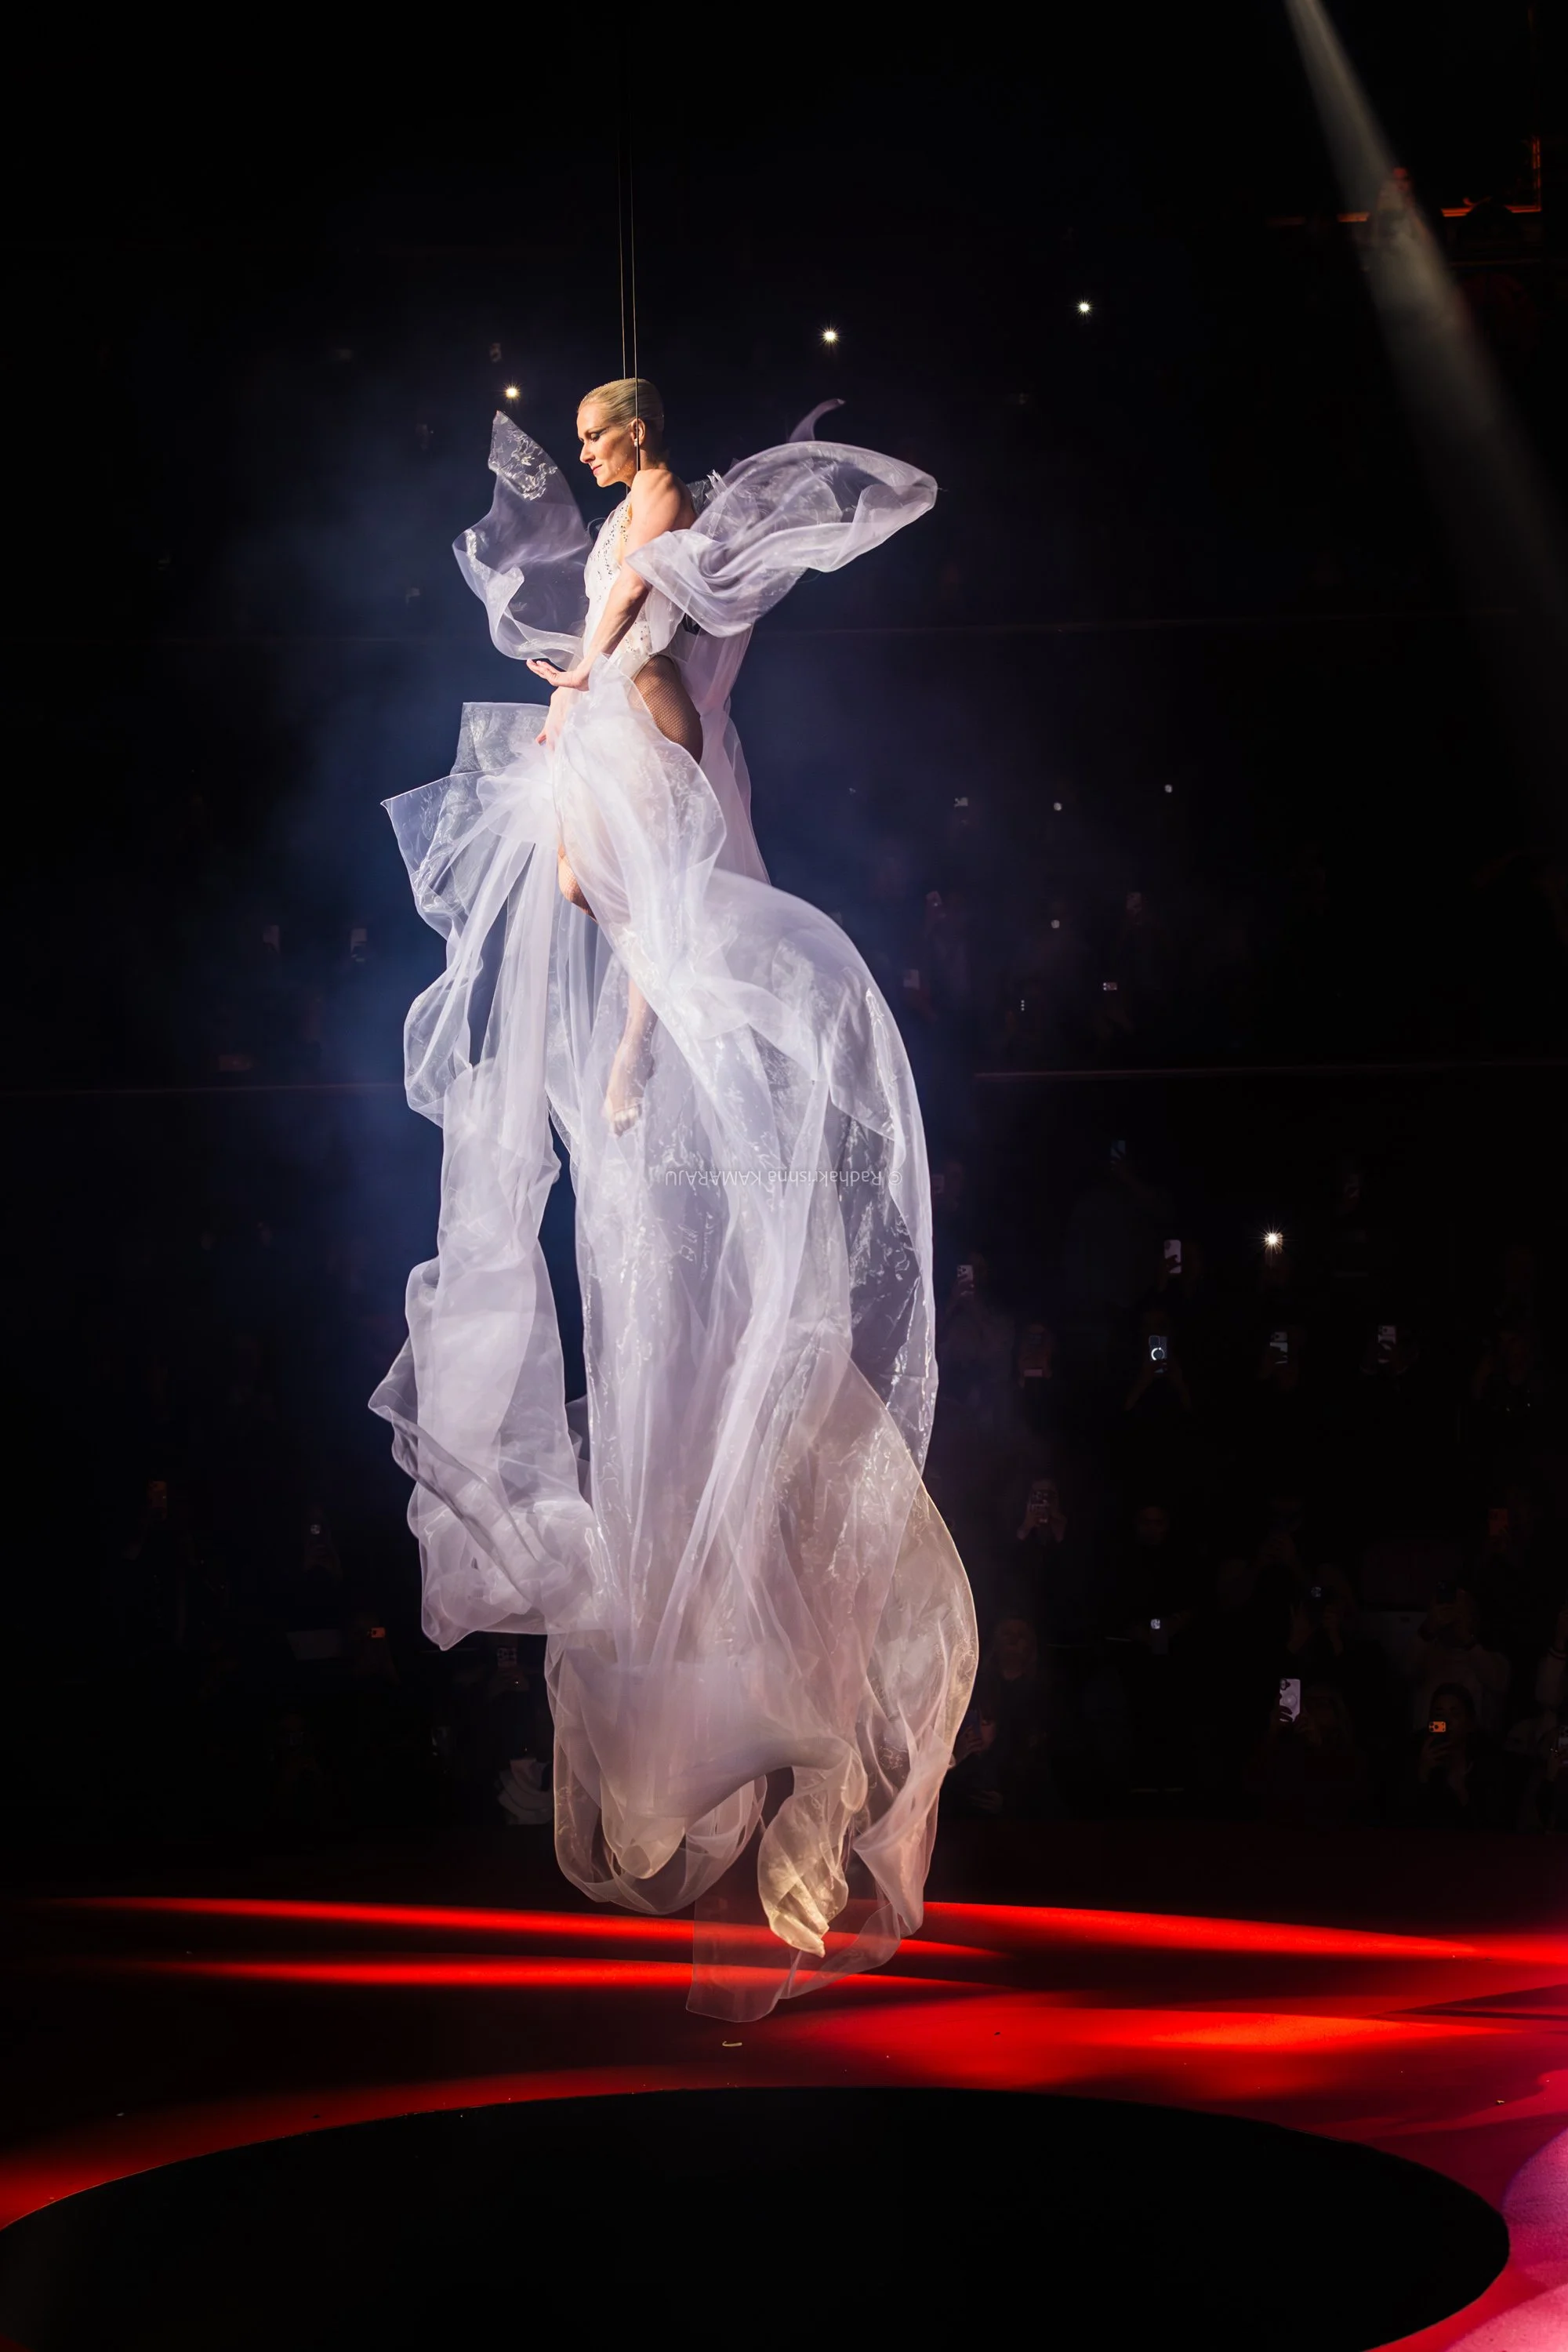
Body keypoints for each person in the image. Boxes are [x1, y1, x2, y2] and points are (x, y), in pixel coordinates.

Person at [372, 381, 978, 2017]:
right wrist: (576, 680)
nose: (579, 455)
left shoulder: (652, 527)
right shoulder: (641, 538)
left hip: (633, 735)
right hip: (622, 733)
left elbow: (658, 614)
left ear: (633, 434)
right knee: (595, 898)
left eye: (596, 431)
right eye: (576, 434)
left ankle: (642, 1052)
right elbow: (643, 631)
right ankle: (637, 1055)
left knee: (637, 916)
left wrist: (590, 677)